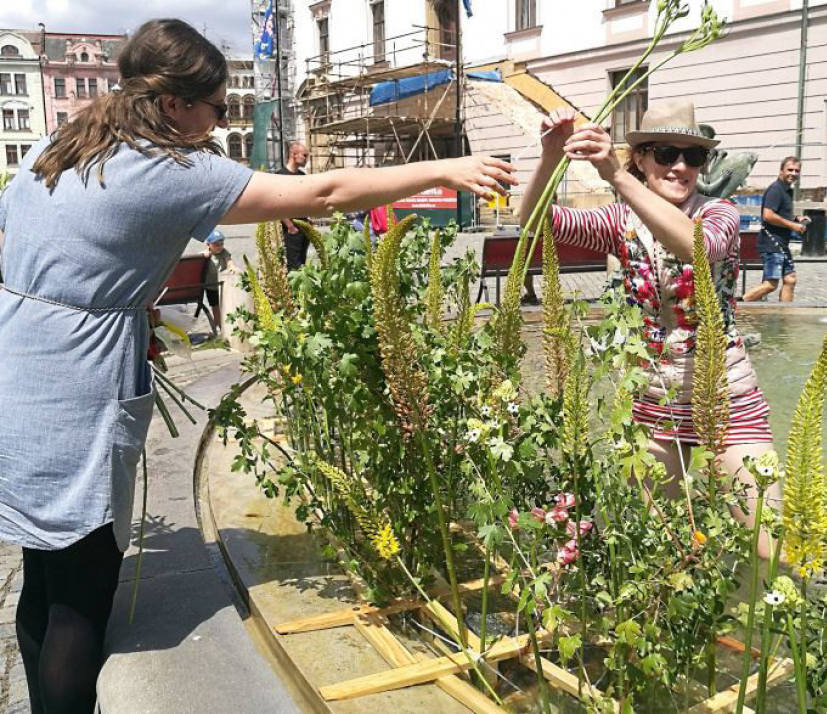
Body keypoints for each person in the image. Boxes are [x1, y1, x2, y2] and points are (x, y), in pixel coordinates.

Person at [0, 19, 514, 713]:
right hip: (78, 385)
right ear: (177, 103)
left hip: (17, 366)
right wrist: (445, 167)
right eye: (217, 108)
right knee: (82, 597)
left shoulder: (56, 147)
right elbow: (325, 195)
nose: (220, 122)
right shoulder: (168, 168)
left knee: (43, 573)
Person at [520, 100, 779, 556]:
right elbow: (535, 223)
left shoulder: (719, 213)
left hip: (727, 395)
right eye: (665, 153)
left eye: (692, 156)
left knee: (769, 546)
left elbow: (695, 246)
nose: (680, 166)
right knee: (660, 544)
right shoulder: (620, 219)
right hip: (656, 399)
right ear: (640, 157)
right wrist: (550, 155)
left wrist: (616, 178)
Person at [741, 157, 805, 302]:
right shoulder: (776, 190)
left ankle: (785, 316)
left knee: (790, 279)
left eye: (797, 170)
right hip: (772, 244)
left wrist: (796, 219)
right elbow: (768, 216)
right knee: (770, 285)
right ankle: (737, 306)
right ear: (781, 170)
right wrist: (792, 226)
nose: (793, 173)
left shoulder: (787, 190)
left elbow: (781, 213)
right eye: (790, 170)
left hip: (781, 244)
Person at [276, 141, 311, 271]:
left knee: (302, 261)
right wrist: (289, 225)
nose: (307, 159)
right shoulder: (280, 175)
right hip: (291, 228)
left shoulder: (302, 176)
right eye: (305, 155)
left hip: (304, 225)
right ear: (294, 154)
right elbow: (277, 204)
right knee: (294, 264)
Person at [200, 229, 237, 335]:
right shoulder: (206, 254)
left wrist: (232, 266)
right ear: (208, 245)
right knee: (215, 307)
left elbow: (229, 260)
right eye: (216, 244)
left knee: (226, 305)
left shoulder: (224, 252)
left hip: (223, 286)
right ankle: (219, 326)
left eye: (221, 244)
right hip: (211, 287)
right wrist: (204, 255)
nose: (219, 247)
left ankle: (227, 325)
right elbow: (200, 257)